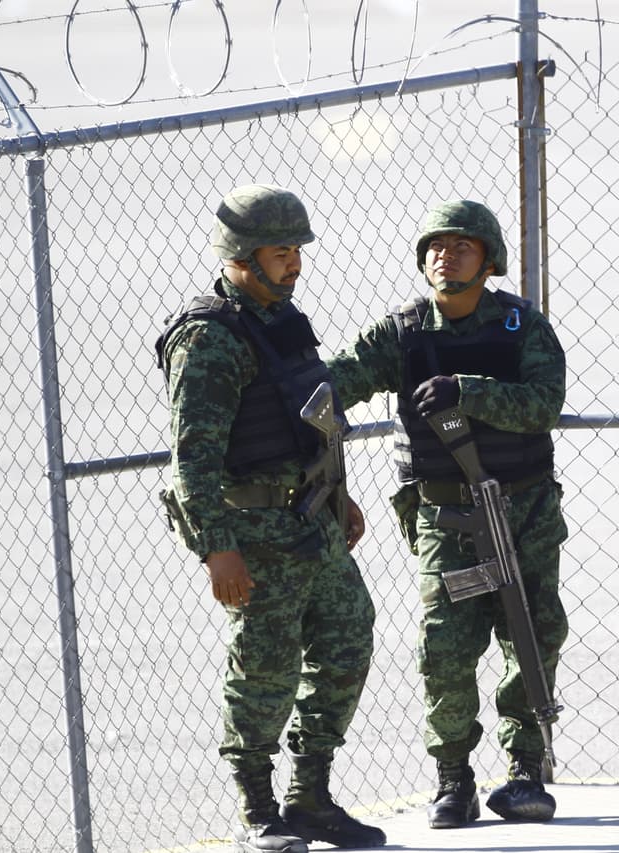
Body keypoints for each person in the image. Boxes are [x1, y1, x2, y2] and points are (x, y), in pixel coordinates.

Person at [324, 200, 569, 829]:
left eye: (462, 246)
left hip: (525, 508)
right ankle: (453, 779)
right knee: (444, 649)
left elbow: (544, 404)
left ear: (488, 260)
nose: (446, 255)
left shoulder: (521, 326)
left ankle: (525, 771)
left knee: (531, 637)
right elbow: (340, 380)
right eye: (436, 245)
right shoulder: (403, 332)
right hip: (447, 517)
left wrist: (469, 391)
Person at [156, 185, 386, 852]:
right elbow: (193, 455)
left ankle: (310, 794)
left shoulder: (284, 321)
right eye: (281, 252)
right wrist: (215, 549)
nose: (295, 264)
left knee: (349, 639)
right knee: (264, 668)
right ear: (243, 255)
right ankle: (258, 808)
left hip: (311, 522)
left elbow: (308, 416)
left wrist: (336, 494)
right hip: (254, 537)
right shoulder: (207, 340)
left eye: (296, 251)